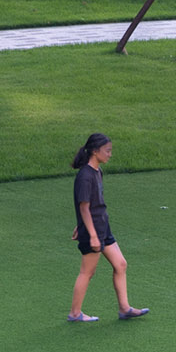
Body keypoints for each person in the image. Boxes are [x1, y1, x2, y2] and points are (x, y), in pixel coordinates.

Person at [68, 132, 147, 322]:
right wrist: (91, 234)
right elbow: (84, 207)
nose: (110, 154)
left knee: (120, 264)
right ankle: (75, 313)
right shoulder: (85, 176)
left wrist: (82, 226)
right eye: (107, 151)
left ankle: (124, 308)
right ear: (95, 152)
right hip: (94, 231)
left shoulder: (97, 172)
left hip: (103, 227)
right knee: (88, 272)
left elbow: (91, 205)